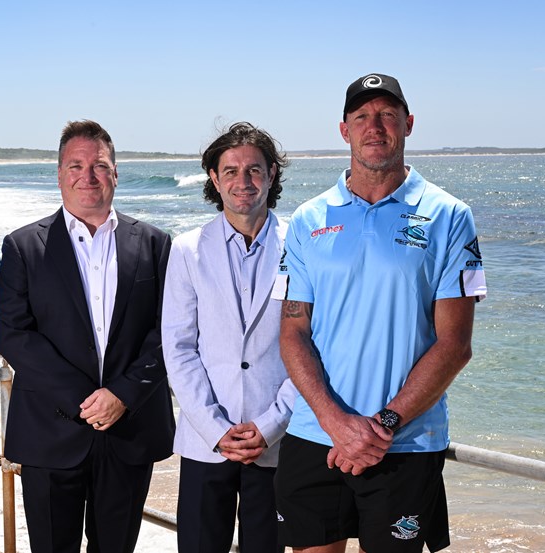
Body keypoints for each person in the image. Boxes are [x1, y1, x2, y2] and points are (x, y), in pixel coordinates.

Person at [274, 74, 488, 553]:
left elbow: (456, 344)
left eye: (387, 115)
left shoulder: (451, 216)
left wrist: (383, 425)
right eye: (362, 117)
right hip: (316, 436)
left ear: (408, 124)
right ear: (344, 130)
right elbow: (292, 332)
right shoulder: (308, 219)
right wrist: (336, 423)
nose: (375, 127)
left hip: (405, 443)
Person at [0, 120, 175, 553]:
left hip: (128, 430)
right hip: (50, 431)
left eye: (99, 165)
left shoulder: (155, 243)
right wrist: (89, 398)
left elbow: (170, 330)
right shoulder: (22, 246)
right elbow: (16, 335)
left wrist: (122, 394)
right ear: (59, 174)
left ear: (116, 173)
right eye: (76, 165)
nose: (87, 175)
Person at [162, 122, 296, 553]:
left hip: (276, 442)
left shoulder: (302, 245)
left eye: (254, 170)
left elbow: (315, 345)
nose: (243, 182)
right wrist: (217, 429)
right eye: (231, 171)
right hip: (206, 443)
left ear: (272, 174)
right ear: (215, 179)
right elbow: (179, 349)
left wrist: (272, 423)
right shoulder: (186, 250)